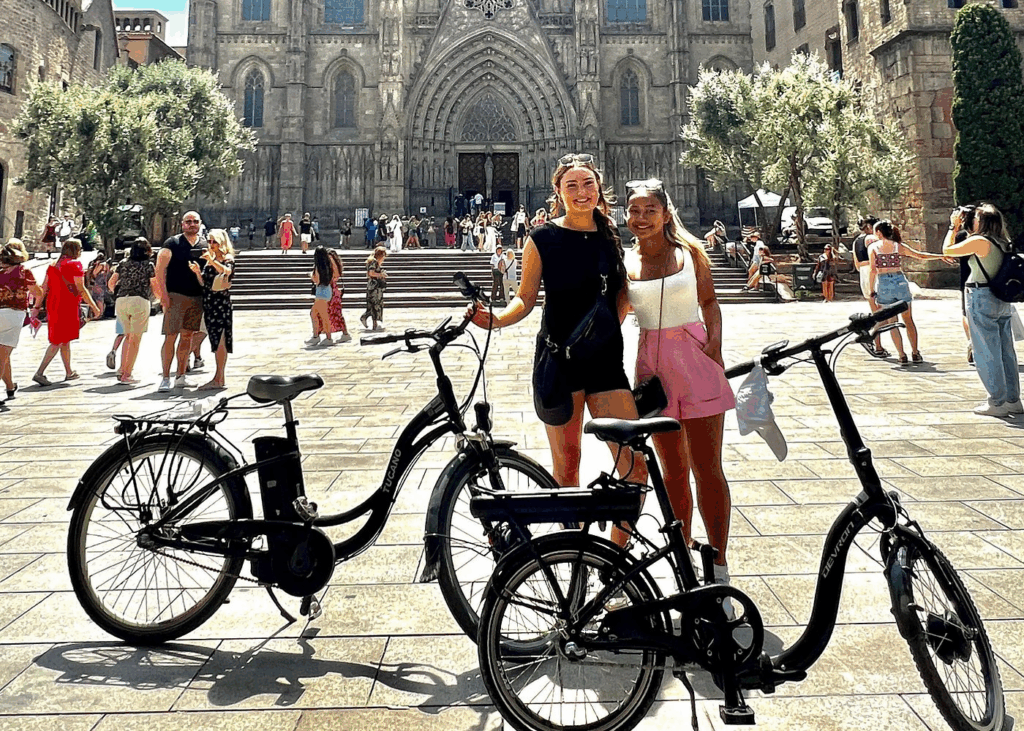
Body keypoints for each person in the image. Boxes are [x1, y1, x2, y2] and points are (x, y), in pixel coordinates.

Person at [468, 152, 648, 547]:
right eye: (572, 185)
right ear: (559, 192)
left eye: (588, 184)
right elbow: (525, 298)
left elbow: (620, 294)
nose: (582, 192)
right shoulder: (543, 238)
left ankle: (614, 562)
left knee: (635, 467)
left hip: (604, 364)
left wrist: (602, 333)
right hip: (560, 362)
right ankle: (579, 559)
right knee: (567, 471)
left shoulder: (608, 235)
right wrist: (496, 319)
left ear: (599, 189)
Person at [622, 178, 735, 588]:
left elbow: (710, 302)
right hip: (653, 375)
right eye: (634, 210)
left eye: (649, 210)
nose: (641, 218)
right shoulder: (626, 264)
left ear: (666, 213)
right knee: (672, 474)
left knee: (708, 469)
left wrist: (715, 347)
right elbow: (614, 318)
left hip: (696, 365)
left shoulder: (691, 254)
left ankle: (719, 565)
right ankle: (683, 559)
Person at [943, 203, 1022, 416]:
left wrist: (953, 226)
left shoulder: (979, 241)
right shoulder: (1003, 241)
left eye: (976, 218)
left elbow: (947, 250)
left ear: (983, 222)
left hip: (980, 296)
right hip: (1000, 298)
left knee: (986, 351)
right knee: (1006, 351)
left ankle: (996, 402)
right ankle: (1013, 399)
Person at [868, 220, 950, 366]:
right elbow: (920, 255)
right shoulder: (897, 246)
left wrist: (871, 289)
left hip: (884, 282)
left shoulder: (873, 247)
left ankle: (901, 355)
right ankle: (915, 352)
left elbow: (873, 270)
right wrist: (939, 256)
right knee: (908, 319)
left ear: (879, 232)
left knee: (893, 322)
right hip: (900, 280)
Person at [31, 238, 101, 386]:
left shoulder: (53, 266)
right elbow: (81, 288)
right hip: (67, 305)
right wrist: (94, 307)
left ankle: (69, 372)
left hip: (53, 304)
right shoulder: (75, 265)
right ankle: (40, 372)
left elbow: (44, 288)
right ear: (76, 250)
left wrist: (36, 308)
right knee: (57, 340)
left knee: (64, 339)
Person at [154, 211, 206, 392]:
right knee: (170, 337)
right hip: (175, 296)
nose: (192, 224)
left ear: (200, 223)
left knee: (187, 337)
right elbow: (159, 270)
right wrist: (163, 295)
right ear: (182, 224)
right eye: (188, 222)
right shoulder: (172, 243)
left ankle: (181, 376)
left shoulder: (204, 244)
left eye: (195, 221)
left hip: (196, 297)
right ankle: (166, 377)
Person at [188, 229, 234, 390]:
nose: (211, 245)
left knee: (220, 340)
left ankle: (219, 378)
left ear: (222, 242)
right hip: (209, 302)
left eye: (214, 241)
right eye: (209, 241)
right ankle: (218, 377)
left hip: (220, 303)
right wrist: (197, 273)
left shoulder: (227, 258)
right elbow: (205, 284)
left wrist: (212, 260)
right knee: (215, 340)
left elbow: (227, 271)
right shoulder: (211, 259)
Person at [106, 238, 155, 385]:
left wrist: (115, 292)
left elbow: (111, 283)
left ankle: (122, 369)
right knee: (135, 339)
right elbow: (154, 285)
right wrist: (161, 300)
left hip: (122, 301)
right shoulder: (148, 265)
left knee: (127, 336)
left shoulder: (123, 263)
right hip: (140, 300)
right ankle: (127, 373)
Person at [0, 239, 42, 403]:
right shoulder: (24, 271)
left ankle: (10, 387)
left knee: (4, 355)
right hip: (13, 314)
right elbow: (37, 292)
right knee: (3, 355)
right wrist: (36, 307)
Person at [852, 216, 885, 355]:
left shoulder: (855, 242)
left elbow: (857, 264)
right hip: (874, 272)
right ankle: (871, 336)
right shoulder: (872, 239)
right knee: (885, 312)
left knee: (875, 312)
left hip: (863, 274)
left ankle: (878, 346)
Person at [307, 245, 339, 346]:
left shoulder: (318, 266)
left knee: (321, 315)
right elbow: (335, 276)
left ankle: (326, 337)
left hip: (321, 291)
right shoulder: (328, 265)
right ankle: (316, 335)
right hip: (328, 289)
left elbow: (316, 279)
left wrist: (311, 276)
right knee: (316, 313)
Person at [361, 246, 388, 331]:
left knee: (373, 305)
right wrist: (381, 275)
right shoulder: (374, 262)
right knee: (375, 305)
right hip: (374, 287)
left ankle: (369, 320)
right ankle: (375, 324)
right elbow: (371, 273)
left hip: (373, 286)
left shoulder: (373, 262)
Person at [326, 249, 351, 342]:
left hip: (332, 290)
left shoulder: (331, 263)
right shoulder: (337, 264)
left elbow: (333, 276)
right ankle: (344, 333)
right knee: (337, 313)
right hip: (335, 290)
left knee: (333, 312)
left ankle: (343, 333)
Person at [86, 253, 112, 317]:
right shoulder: (107, 265)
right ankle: (101, 313)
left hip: (98, 283)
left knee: (98, 299)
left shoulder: (100, 265)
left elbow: (95, 273)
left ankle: (99, 314)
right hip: (104, 283)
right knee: (101, 299)